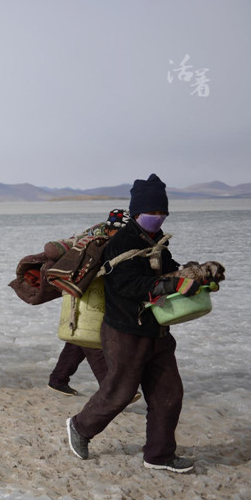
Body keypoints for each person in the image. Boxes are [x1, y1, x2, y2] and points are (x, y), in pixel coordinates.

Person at [67, 174, 204, 474]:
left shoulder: (156, 241)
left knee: (169, 394)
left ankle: (158, 455)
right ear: (137, 211)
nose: (157, 217)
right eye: (152, 212)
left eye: (162, 212)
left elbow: (168, 270)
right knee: (120, 392)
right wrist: (172, 286)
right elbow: (128, 284)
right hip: (125, 332)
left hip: (157, 331)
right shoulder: (122, 243)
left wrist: (194, 277)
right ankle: (79, 427)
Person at [48, 209, 130, 396]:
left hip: (92, 296)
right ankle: (113, 391)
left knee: (79, 339)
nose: (123, 236)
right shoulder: (96, 244)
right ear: (109, 230)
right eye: (119, 232)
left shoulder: (118, 243)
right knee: (91, 340)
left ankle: (58, 379)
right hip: (83, 295)